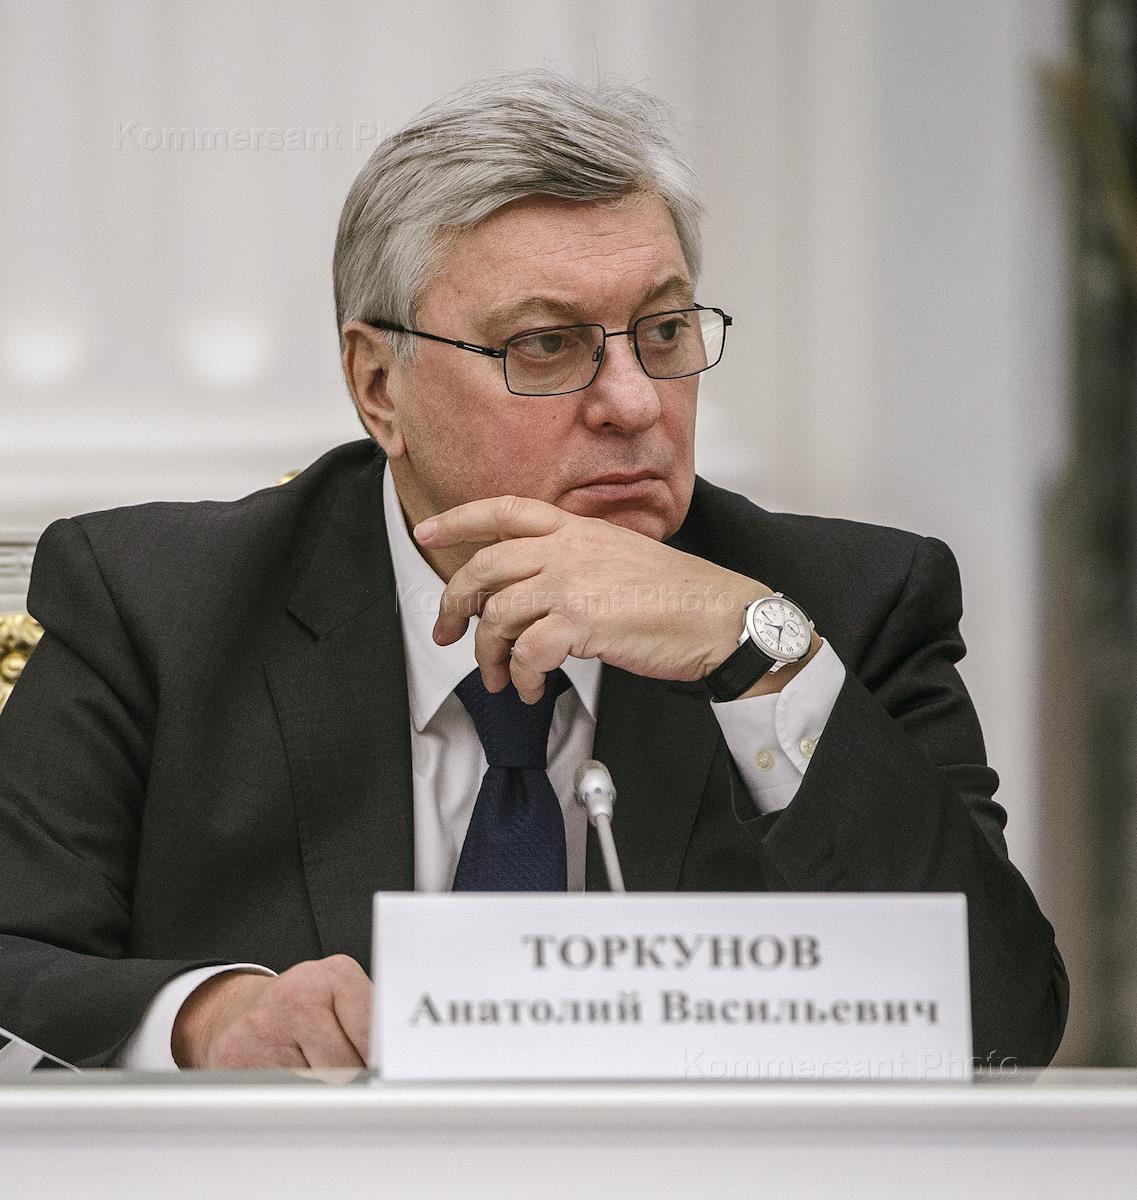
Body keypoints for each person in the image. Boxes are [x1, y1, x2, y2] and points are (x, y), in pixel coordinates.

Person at [0, 70, 1067, 1071]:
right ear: (378, 386)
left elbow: (1004, 1028)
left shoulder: (847, 607)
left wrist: (758, 657)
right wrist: (204, 1019)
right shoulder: (161, 606)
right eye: (546, 345)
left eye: (663, 331)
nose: (635, 403)